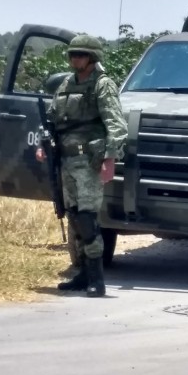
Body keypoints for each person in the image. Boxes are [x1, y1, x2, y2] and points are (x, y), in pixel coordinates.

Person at [36, 35, 128, 297]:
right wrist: (43, 143)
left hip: (89, 161)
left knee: (87, 219)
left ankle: (97, 279)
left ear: (92, 57)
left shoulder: (102, 85)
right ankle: (83, 274)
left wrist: (110, 158)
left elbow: (116, 125)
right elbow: (52, 120)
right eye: (72, 54)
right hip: (66, 160)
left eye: (80, 54)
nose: (75, 58)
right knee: (75, 216)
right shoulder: (66, 84)